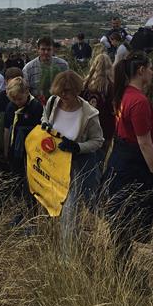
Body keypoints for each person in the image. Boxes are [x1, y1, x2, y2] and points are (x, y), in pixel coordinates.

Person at [102, 51, 153, 264]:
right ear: (141, 70)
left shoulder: (124, 94)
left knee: (120, 217)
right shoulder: (138, 101)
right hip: (132, 167)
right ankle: (123, 268)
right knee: (128, 218)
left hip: (120, 161)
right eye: (150, 67)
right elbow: (144, 142)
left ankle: (122, 264)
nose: (152, 71)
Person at [42, 71, 104, 252]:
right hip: (53, 164)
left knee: (70, 211)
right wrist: (45, 125)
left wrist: (78, 147)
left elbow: (98, 141)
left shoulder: (89, 114)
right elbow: (45, 117)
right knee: (54, 208)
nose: (64, 95)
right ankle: (57, 245)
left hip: (76, 167)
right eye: (61, 91)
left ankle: (67, 256)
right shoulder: (53, 102)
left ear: (76, 90)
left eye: (67, 91)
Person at [3, 77, 44, 221]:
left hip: (31, 153)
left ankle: (32, 215)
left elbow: (40, 133)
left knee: (30, 185)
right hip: (15, 152)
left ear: (27, 92)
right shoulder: (11, 107)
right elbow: (7, 129)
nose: (17, 102)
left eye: (19, 99)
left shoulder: (36, 107)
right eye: (14, 100)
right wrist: (6, 150)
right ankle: (20, 213)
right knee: (18, 183)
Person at [81, 52, 115, 159]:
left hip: (86, 125)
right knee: (101, 158)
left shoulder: (85, 84)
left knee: (87, 158)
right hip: (106, 127)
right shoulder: (112, 86)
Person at [22, 37, 69, 103]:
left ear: (53, 50)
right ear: (38, 49)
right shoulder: (28, 68)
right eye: (43, 49)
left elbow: (68, 85)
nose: (46, 52)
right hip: (37, 104)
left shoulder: (63, 65)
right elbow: (26, 91)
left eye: (49, 49)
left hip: (60, 103)